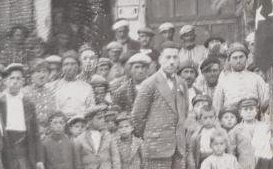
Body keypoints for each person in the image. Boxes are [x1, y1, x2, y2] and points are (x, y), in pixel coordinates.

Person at [131, 40, 189, 169]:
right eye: (168, 57)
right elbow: (137, 117)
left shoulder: (181, 83)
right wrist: (151, 136)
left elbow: (184, 111)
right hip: (156, 148)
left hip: (178, 147)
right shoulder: (149, 84)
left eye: (175, 57)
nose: (172, 61)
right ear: (159, 59)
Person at [0, 63, 44, 169]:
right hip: (6, 149)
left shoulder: (28, 103)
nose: (15, 82)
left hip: (24, 150)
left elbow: (35, 133)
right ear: (5, 81)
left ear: (23, 82)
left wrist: (39, 160)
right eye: (12, 78)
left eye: (18, 79)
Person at [213, 44, 268, 111]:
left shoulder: (256, 79)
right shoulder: (223, 82)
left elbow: (265, 103)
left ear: (247, 58)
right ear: (229, 60)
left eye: (241, 57)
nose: (238, 61)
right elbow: (217, 107)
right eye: (235, 58)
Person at [73, 104, 119, 169]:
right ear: (90, 121)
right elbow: (78, 163)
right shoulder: (79, 140)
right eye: (99, 118)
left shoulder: (109, 137)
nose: (103, 120)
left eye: (103, 118)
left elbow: (116, 159)